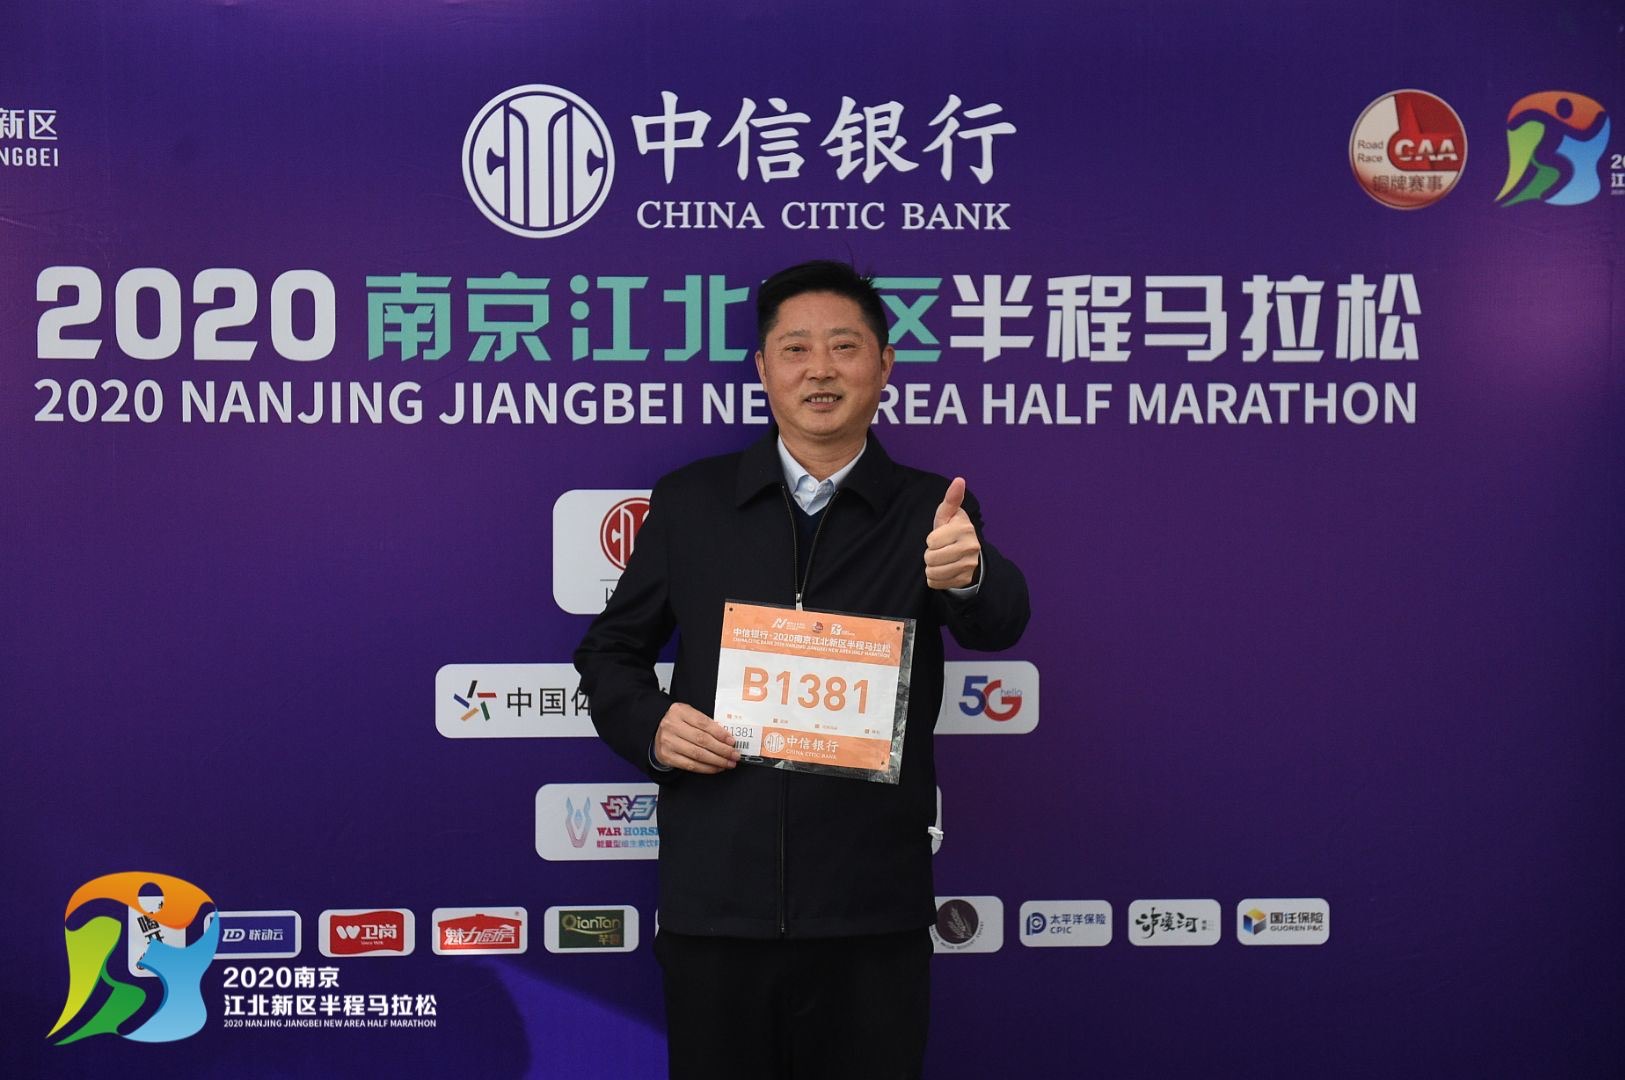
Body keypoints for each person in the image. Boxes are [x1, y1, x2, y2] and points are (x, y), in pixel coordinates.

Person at [574, 260, 1029, 1079]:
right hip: (718, 905)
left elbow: (998, 624)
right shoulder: (692, 502)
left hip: (869, 910)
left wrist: (969, 574)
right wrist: (650, 725)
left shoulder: (932, 509)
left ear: (884, 364)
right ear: (763, 368)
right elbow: (610, 651)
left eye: (844, 346)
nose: (820, 369)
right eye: (795, 349)